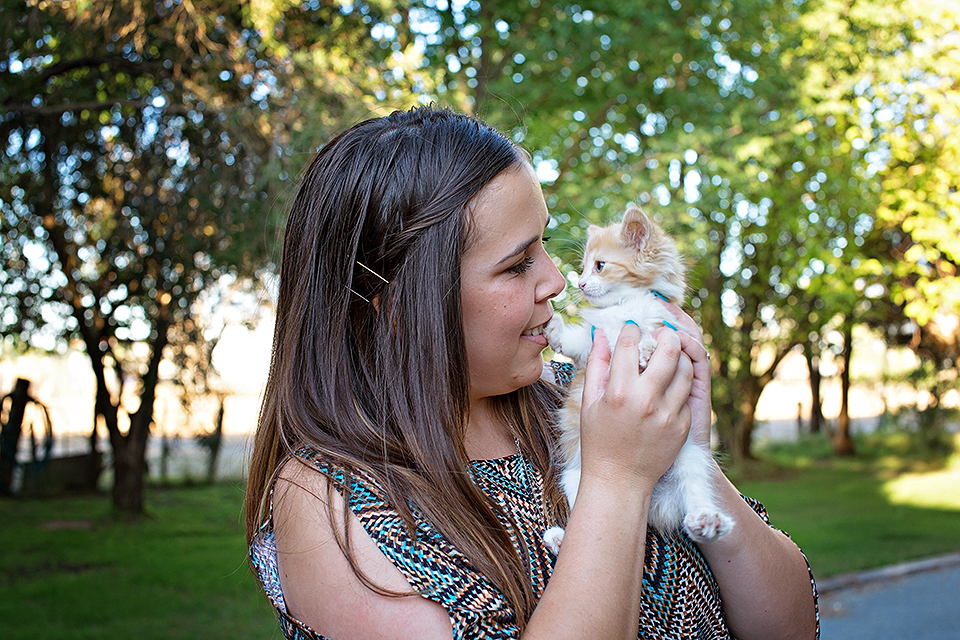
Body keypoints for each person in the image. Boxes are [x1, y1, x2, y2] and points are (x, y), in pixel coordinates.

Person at [245, 106, 819, 640]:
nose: (556, 280)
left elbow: (790, 625)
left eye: (544, 242)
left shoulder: (575, 407)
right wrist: (617, 481)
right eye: (517, 264)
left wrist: (687, 453)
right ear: (398, 307)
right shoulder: (327, 501)